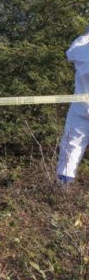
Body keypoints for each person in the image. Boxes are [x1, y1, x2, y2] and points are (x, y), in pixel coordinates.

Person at [57, 28, 89, 185]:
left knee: (72, 146)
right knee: (71, 145)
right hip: (81, 105)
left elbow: (70, 54)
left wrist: (86, 35)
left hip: (81, 106)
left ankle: (63, 187)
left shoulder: (82, 49)